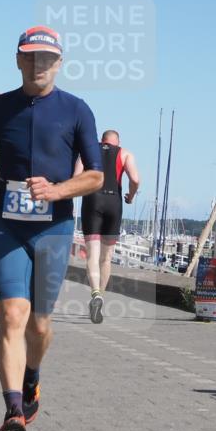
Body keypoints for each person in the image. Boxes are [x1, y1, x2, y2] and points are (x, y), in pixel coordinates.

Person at [0, 25, 103, 431]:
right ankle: (13, 411)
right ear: (19, 60)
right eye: (31, 57)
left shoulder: (77, 110)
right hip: (8, 225)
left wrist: (58, 190)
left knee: (40, 324)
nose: (39, 64)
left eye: (47, 58)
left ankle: (32, 376)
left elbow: (95, 175)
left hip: (55, 229)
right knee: (11, 317)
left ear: (59, 63)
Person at [74, 130, 140, 323]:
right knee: (106, 258)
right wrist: (131, 195)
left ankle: (95, 294)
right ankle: (100, 296)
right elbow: (135, 180)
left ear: (102, 140)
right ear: (117, 142)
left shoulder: (87, 151)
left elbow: (76, 176)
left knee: (93, 256)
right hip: (114, 202)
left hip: (92, 201)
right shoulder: (125, 153)